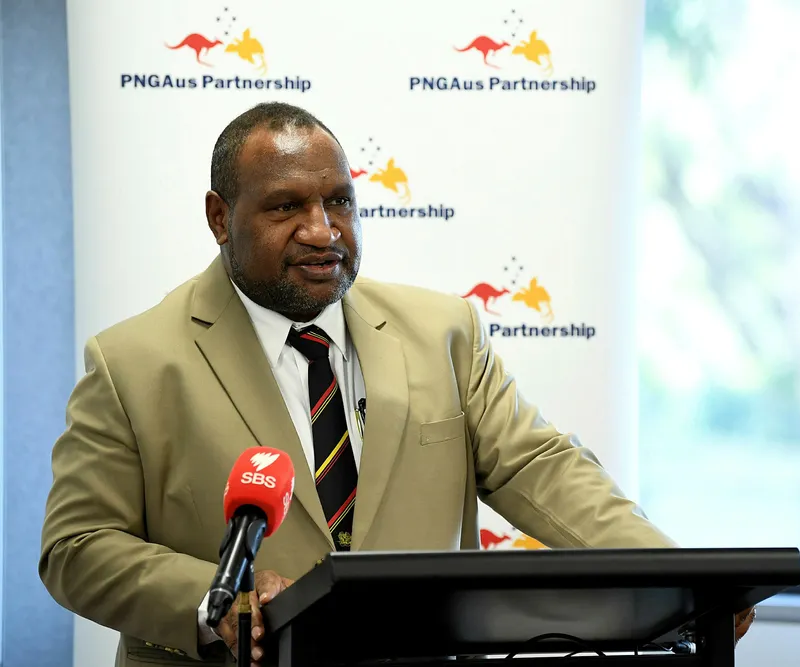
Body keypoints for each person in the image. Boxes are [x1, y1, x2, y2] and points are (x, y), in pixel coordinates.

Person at [38, 102, 755, 667]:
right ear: (220, 217)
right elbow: (76, 546)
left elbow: (541, 468)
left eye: (340, 202)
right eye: (286, 207)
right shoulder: (132, 361)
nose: (323, 231)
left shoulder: (444, 332)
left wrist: (680, 580)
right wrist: (216, 600)